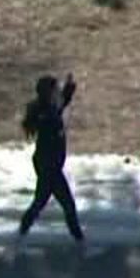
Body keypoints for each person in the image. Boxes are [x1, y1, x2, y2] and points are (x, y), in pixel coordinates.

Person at [16, 73, 85, 248]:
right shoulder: (48, 115)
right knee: (67, 204)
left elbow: (63, 102)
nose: (58, 92)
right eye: (56, 90)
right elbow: (59, 107)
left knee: (39, 202)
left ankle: (20, 235)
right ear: (49, 93)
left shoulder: (50, 110)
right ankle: (81, 242)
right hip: (49, 166)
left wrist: (69, 87)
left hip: (48, 165)